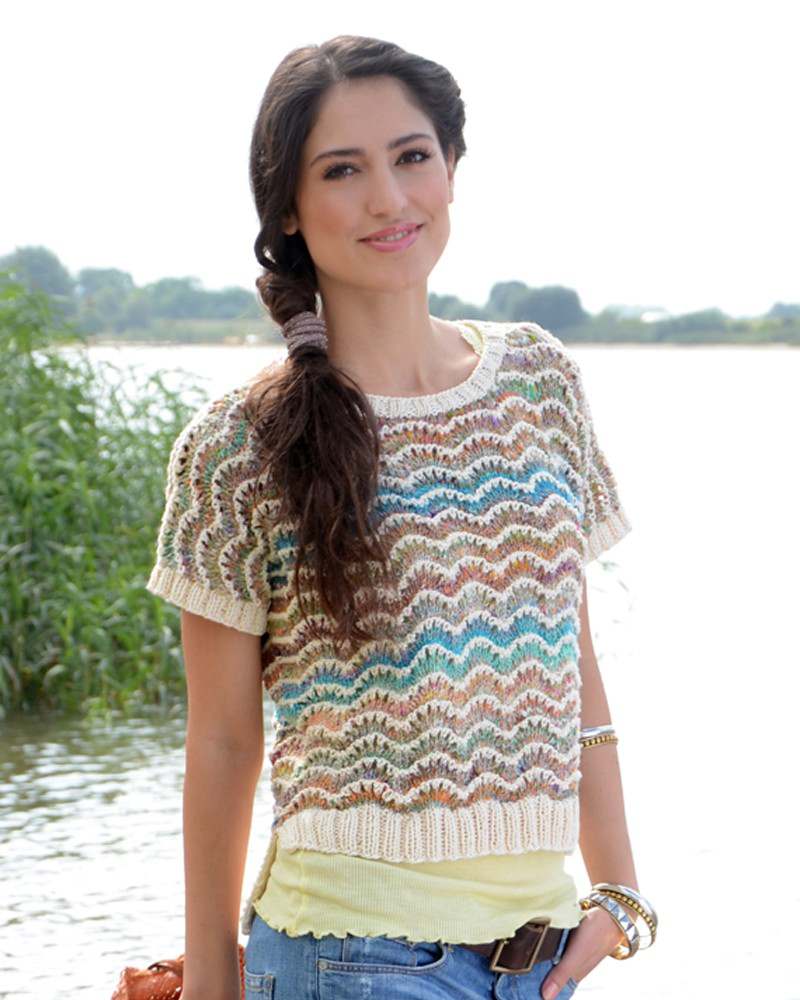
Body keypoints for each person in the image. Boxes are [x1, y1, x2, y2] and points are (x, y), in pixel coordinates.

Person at [146, 33, 657, 1000]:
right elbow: (221, 744)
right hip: (348, 958)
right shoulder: (238, 444)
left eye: (411, 156)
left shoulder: (538, 381)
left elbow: (572, 658)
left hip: (539, 958)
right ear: (288, 208)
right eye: (343, 170)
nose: (388, 198)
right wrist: (212, 984)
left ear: (451, 169)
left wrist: (621, 888)